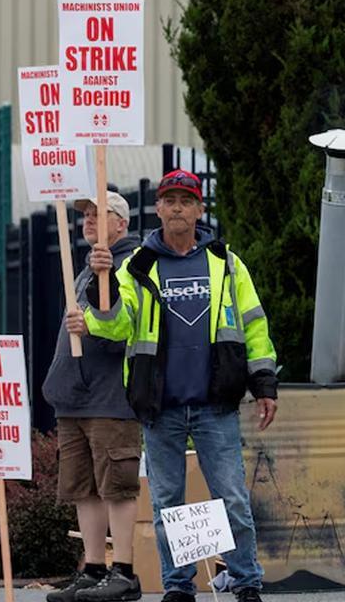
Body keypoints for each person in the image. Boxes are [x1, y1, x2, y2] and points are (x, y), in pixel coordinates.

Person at [67, 169, 278, 602]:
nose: (178, 208)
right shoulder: (138, 265)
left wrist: (264, 384)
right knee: (167, 504)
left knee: (232, 499)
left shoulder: (226, 263)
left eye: (187, 200)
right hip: (159, 404)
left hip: (215, 403)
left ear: (200, 210)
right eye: (170, 201)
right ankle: (178, 586)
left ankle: (246, 582)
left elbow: (254, 325)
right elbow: (115, 326)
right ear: (158, 208)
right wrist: (103, 290)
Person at [44, 191, 143, 602]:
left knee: (116, 485)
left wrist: (94, 322)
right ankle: (94, 569)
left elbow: (126, 325)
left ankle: (124, 571)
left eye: (100, 214)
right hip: (75, 398)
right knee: (82, 487)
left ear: (122, 223)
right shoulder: (86, 268)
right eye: (85, 214)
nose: (88, 220)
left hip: (110, 397)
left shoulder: (132, 264)